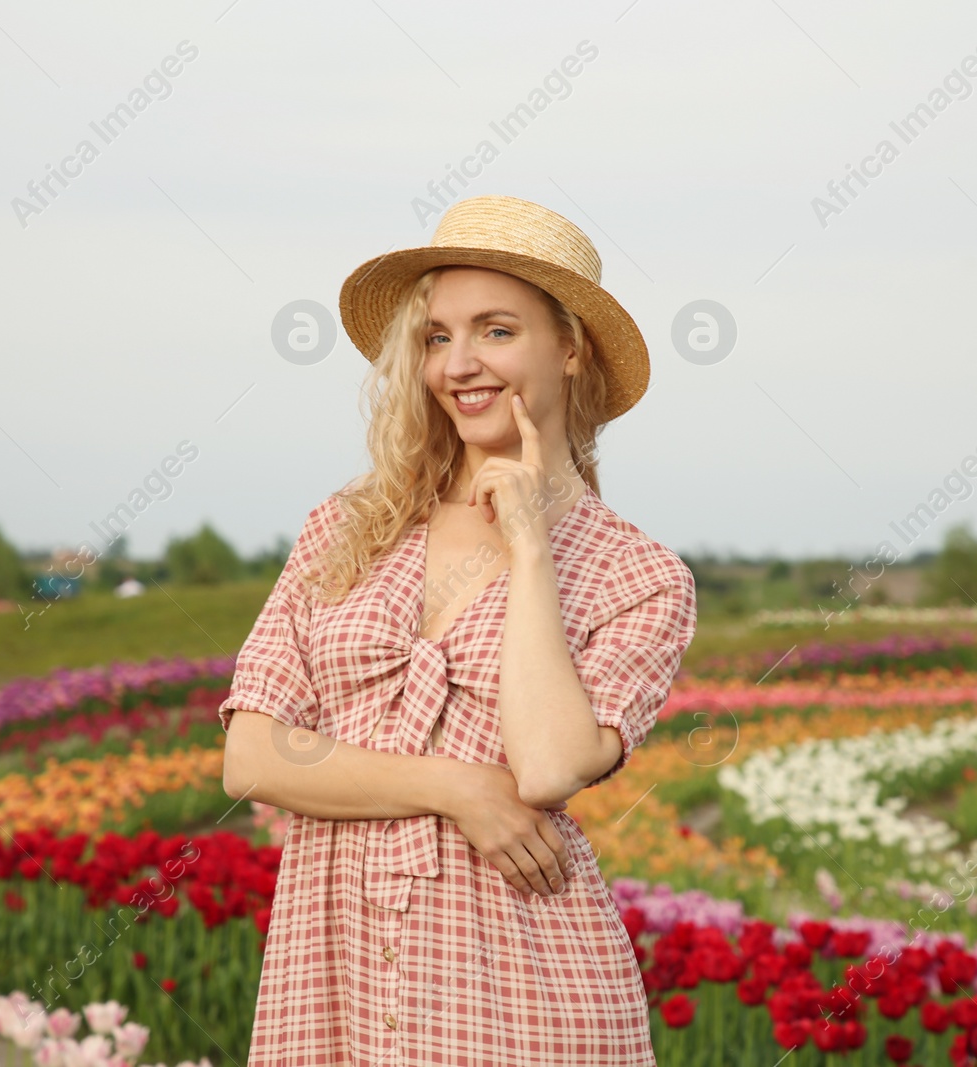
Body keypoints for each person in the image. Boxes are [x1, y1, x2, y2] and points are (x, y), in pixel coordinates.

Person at [219, 194, 697, 1066]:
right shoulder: (346, 529)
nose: (460, 364)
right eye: (438, 336)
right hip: (334, 978)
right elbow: (251, 756)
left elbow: (549, 766)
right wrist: (458, 787)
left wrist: (530, 543)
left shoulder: (640, 575)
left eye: (497, 331)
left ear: (571, 345)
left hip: (523, 986)